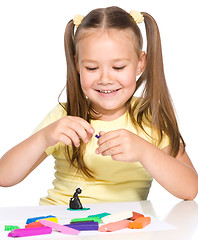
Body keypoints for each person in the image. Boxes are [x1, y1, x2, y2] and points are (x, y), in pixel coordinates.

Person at [0, 6, 197, 205]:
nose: (105, 79)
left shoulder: (150, 118)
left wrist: (146, 152)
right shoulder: (65, 116)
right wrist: (44, 137)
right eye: (92, 68)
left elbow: (190, 190)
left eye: (118, 67)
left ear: (140, 63)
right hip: (61, 226)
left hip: (122, 230)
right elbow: (4, 177)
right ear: (77, 65)